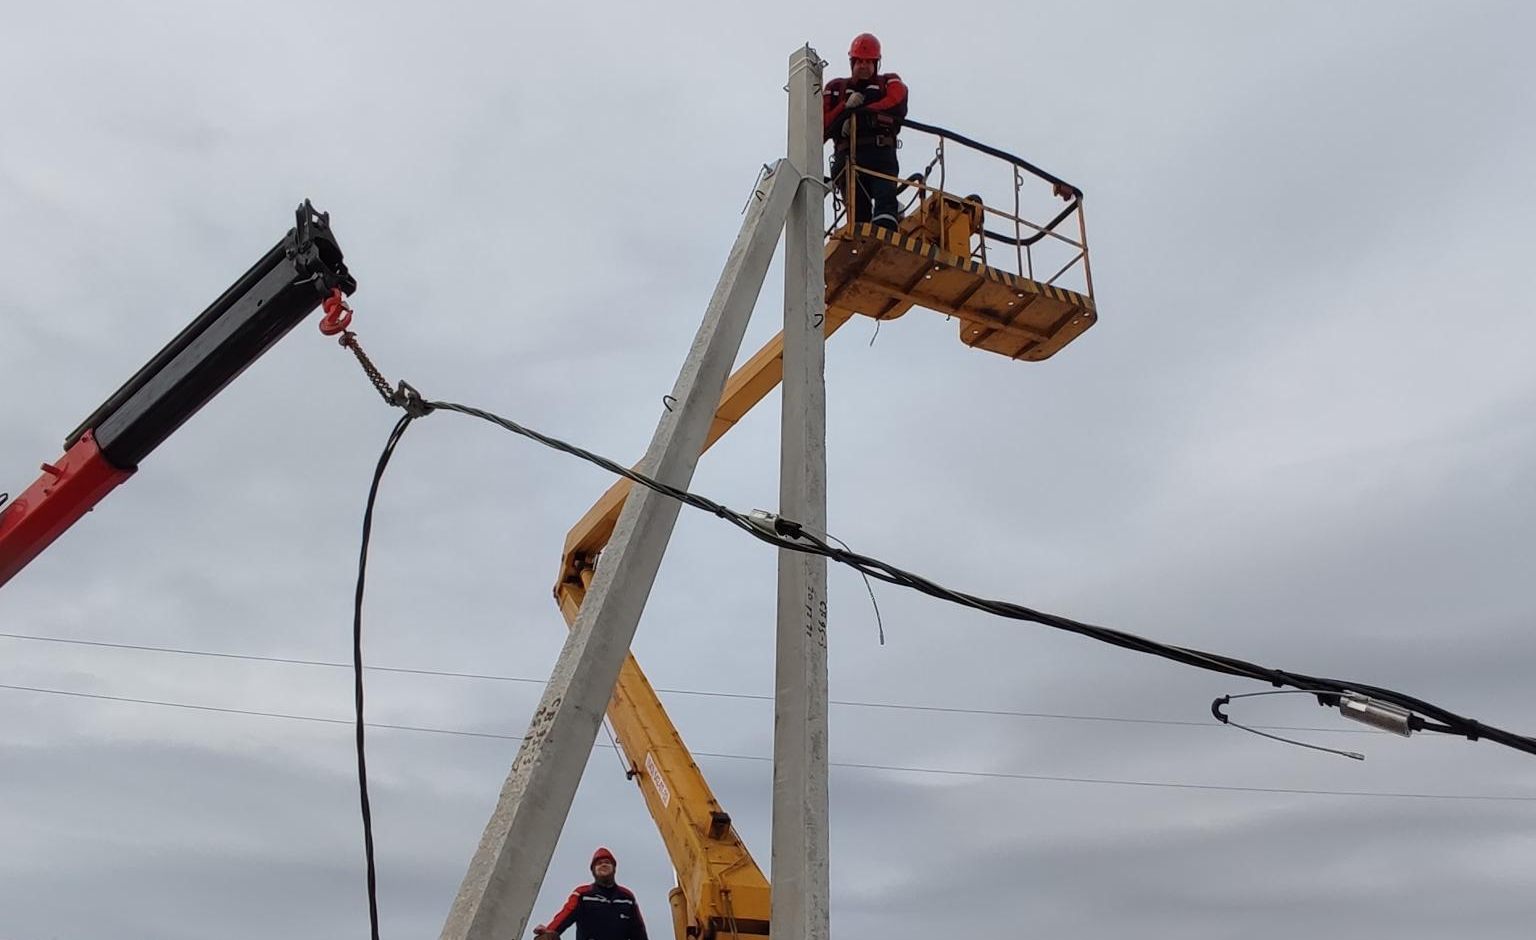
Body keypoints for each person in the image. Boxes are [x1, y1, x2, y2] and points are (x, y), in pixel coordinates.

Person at [823, 32, 909, 231]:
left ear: (876, 63)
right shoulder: (836, 88)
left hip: (880, 155)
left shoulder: (889, 82)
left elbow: (896, 103)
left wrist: (859, 114)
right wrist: (844, 109)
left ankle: (885, 227)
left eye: (868, 62)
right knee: (859, 221)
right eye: (859, 61)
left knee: (885, 211)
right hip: (848, 160)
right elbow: (820, 126)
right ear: (852, 62)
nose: (863, 66)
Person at [534, 847, 649, 940]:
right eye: (598, 863)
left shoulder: (627, 897)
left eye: (607, 862)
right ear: (593, 870)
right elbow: (565, 915)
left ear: (614, 868)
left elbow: (638, 930)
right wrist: (548, 932)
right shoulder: (583, 894)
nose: (603, 865)